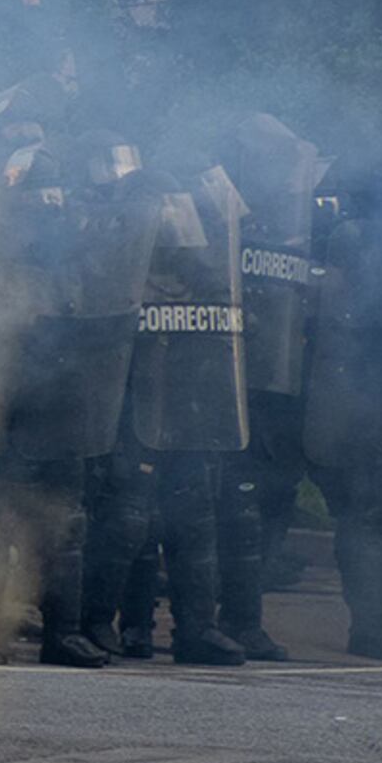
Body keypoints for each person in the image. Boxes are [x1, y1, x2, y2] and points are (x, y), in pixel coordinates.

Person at [0, 136, 147, 665]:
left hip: (64, 398)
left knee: (65, 521)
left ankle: (63, 631)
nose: (44, 209)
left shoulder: (77, 247)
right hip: (9, 400)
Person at [93, 156, 248, 665]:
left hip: (190, 412)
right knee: (126, 522)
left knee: (195, 522)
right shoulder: (116, 271)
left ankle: (196, 629)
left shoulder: (200, 275)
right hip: (133, 413)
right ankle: (101, 623)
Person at [212, 114, 324, 660]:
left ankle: (241, 617)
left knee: (266, 497)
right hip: (221, 381)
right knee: (226, 505)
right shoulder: (216, 207)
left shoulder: (298, 225)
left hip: (274, 380)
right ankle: (217, 618)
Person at [300, 152, 382, 657]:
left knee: (366, 512)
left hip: (363, 390)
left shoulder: (373, 237)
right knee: (363, 511)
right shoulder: (362, 238)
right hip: (354, 392)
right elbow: (347, 313)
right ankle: (369, 627)